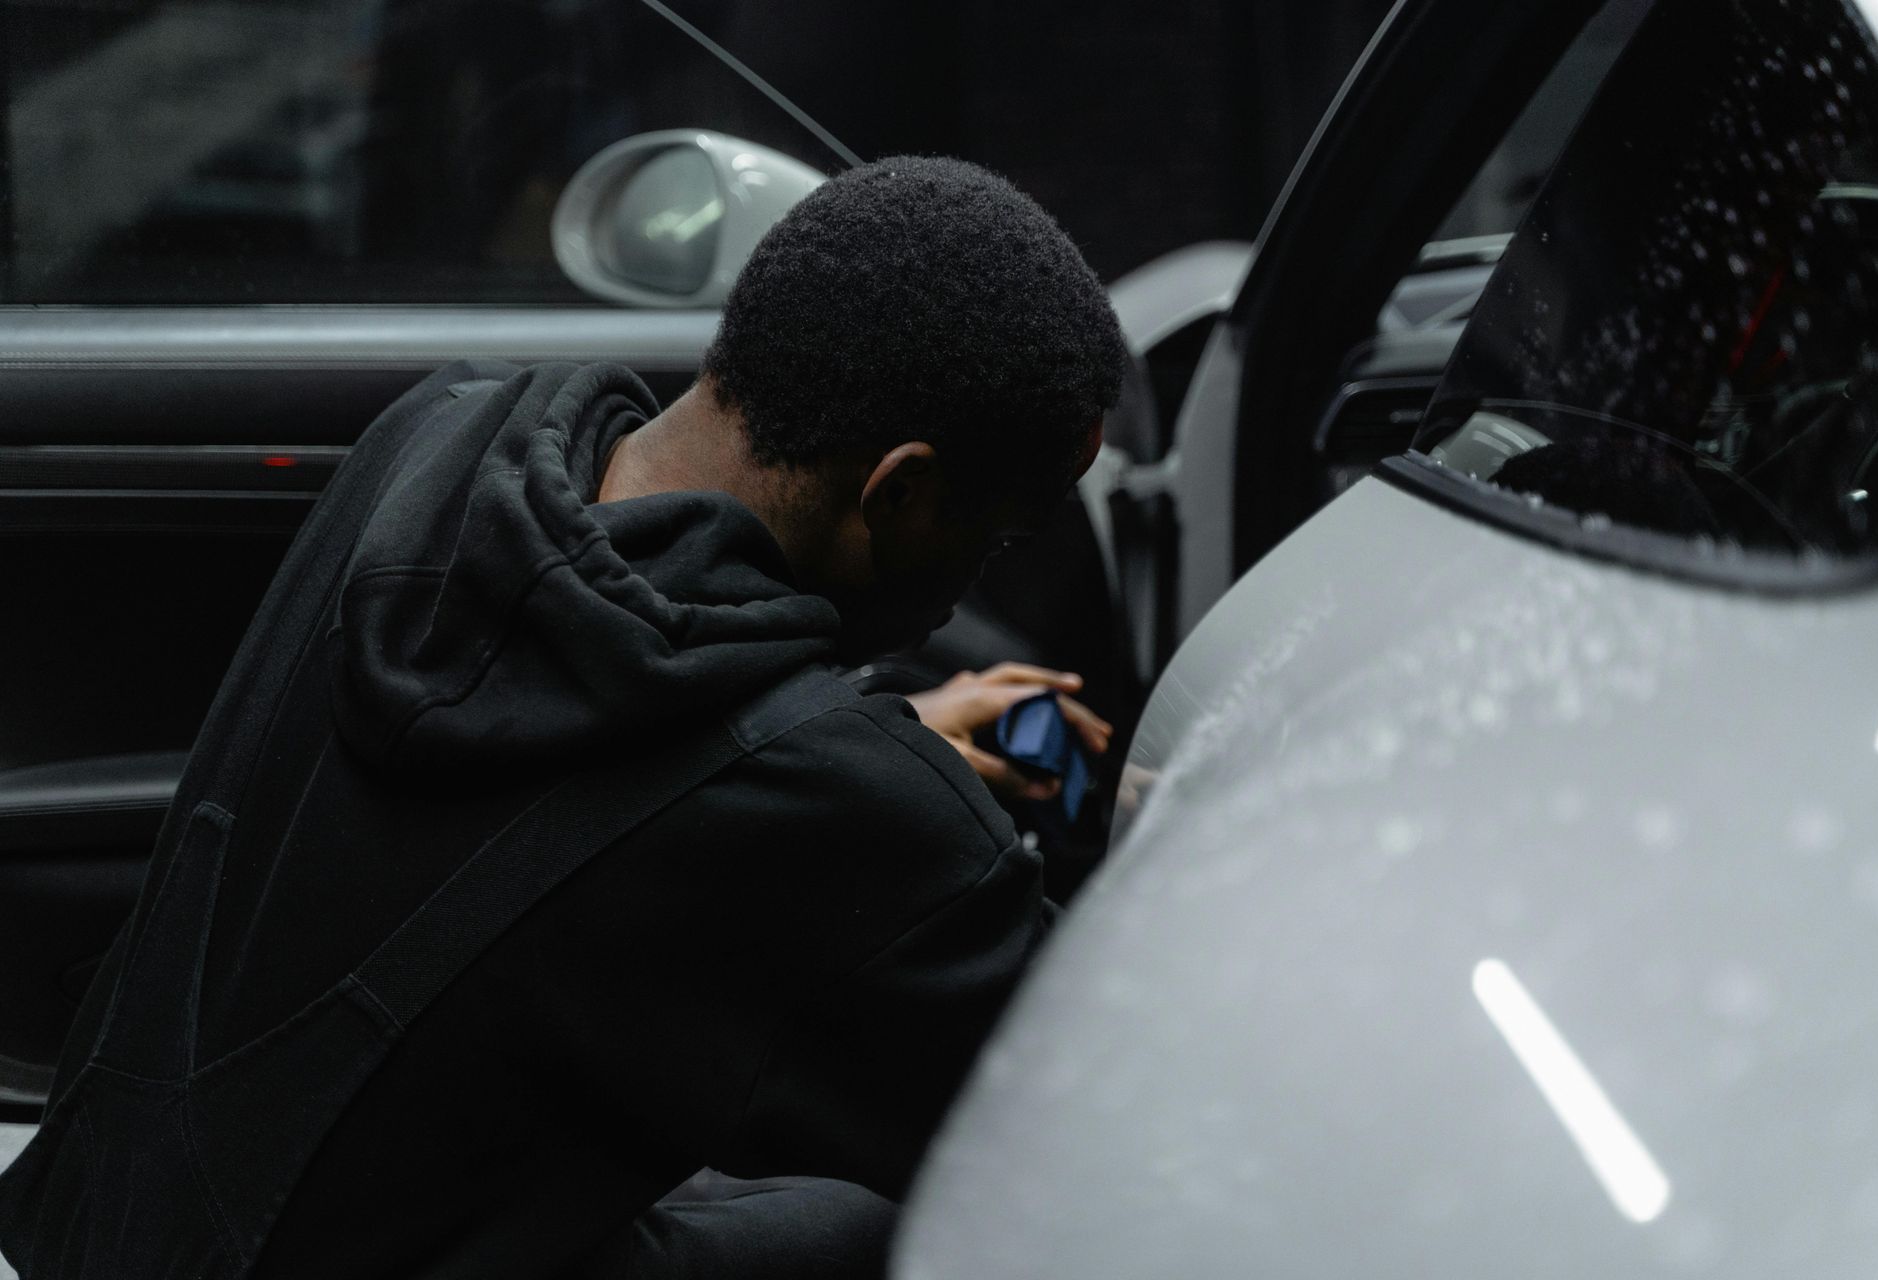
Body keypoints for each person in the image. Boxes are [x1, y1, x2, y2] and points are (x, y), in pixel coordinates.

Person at [0, 156, 1128, 1279]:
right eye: (992, 539)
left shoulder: (434, 440)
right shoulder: (854, 817)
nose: (967, 581)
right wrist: (895, 789)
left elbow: (560, 786)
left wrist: (888, 741)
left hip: (103, 1228)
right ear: (902, 493)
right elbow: (1107, 1138)